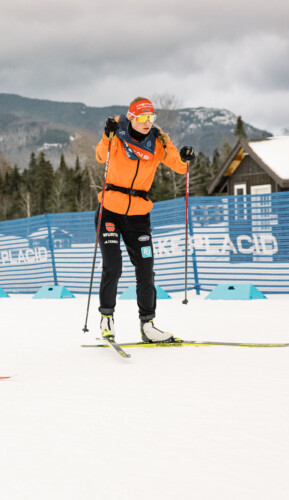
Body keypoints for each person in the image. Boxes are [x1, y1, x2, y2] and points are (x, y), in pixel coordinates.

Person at [94, 97, 195, 343]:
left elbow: (179, 166)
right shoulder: (117, 134)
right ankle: (107, 319)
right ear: (131, 117)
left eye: (151, 118)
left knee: (146, 268)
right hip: (110, 208)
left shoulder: (158, 141)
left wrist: (184, 158)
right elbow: (100, 156)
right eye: (142, 118)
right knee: (113, 265)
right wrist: (107, 136)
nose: (147, 123)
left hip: (138, 213)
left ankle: (148, 325)